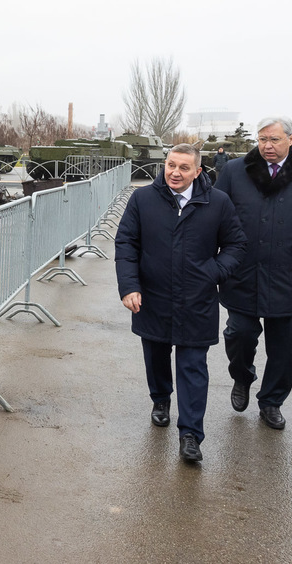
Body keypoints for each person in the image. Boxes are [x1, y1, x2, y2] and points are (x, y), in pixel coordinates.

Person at [116, 143, 246, 462]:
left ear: (198, 171)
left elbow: (236, 244)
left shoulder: (217, 203)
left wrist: (213, 272)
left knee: (192, 367)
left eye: (183, 167)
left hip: (197, 301)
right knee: (156, 356)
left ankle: (190, 434)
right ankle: (161, 399)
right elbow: (126, 244)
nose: (175, 172)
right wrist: (130, 286)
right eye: (171, 165)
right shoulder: (143, 199)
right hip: (153, 297)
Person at [215, 117, 292, 430]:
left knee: (285, 349)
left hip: (287, 278)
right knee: (239, 334)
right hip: (242, 273)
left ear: (290, 139)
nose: (267, 146)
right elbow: (214, 215)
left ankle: (271, 401)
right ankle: (242, 377)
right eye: (262, 140)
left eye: (273, 140)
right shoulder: (235, 171)